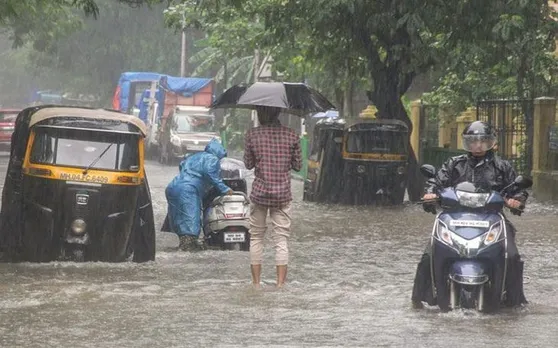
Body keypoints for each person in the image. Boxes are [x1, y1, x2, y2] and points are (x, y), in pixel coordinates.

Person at [411, 121, 528, 309]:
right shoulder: (454, 164)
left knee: (512, 256)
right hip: (454, 218)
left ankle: (513, 301)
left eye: (483, 141)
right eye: (473, 141)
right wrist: (430, 193)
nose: (478, 145)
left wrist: (517, 199)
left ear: (491, 143)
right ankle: (420, 298)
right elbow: (436, 182)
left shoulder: (502, 167)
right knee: (428, 255)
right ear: (467, 143)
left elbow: (516, 189)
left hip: (492, 218)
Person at [244, 106, 302, 289]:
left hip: (260, 193)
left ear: (260, 115)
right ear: (278, 114)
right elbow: (299, 165)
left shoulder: (252, 135)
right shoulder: (292, 135)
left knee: (256, 238)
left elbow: (247, 164)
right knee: (281, 239)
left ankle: (256, 284)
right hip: (282, 195)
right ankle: (280, 284)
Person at [165, 138, 233, 251]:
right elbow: (210, 174)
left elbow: (182, 165)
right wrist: (225, 189)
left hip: (173, 186)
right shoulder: (212, 159)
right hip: (188, 190)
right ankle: (188, 247)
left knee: (179, 218)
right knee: (190, 221)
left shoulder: (193, 156)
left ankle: (184, 245)